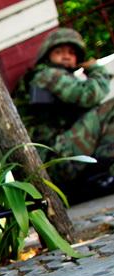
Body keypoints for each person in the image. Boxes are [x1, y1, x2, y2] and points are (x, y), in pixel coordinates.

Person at [14, 27, 114, 201]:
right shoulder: (46, 75)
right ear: (47, 55)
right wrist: (96, 70)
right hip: (53, 161)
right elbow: (90, 95)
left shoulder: (54, 78)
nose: (66, 56)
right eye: (59, 51)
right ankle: (103, 175)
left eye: (71, 52)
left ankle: (101, 175)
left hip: (56, 160)